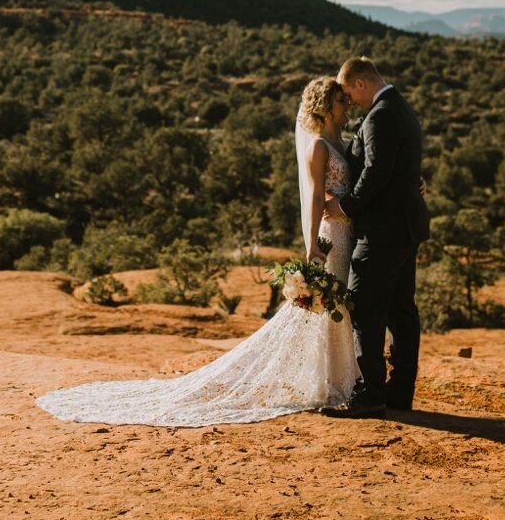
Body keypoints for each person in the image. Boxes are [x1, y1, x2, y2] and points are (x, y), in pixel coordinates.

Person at [35, 76, 359, 426]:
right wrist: (311, 244)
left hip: (349, 232)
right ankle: (333, 383)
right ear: (325, 106)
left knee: (336, 304)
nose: (348, 105)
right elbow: (312, 198)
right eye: (342, 100)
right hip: (332, 236)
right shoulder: (318, 147)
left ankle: (339, 380)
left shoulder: (341, 141)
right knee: (329, 303)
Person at [324, 56, 429, 417]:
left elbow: (375, 172)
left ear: (361, 84)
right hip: (404, 226)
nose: (350, 102)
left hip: (383, 230)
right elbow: (399, 165)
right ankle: (400, 394)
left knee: (365, 308)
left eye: (350, 94)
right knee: (401, 312)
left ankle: (370, 395)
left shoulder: (382, 113)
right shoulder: (401, 107)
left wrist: (346, 207)